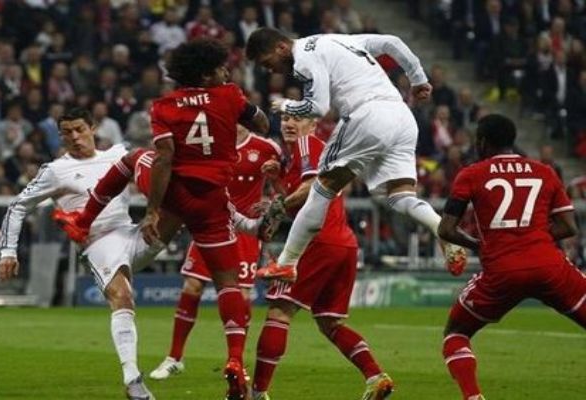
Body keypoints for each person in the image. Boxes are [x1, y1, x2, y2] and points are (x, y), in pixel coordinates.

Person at [55, 39, 269, 400]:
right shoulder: (229, 94)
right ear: (206, 72)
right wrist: (239, 106)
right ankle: (235, 360)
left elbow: (165, 157)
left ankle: (83, 220)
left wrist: (153, 208)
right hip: (212, 200)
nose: (225, 71)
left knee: (131, 158)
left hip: (175, 192)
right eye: (219, 68)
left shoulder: (165, 106)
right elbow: (261, 123)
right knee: (228, 283)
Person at [244, 27, 467, 281]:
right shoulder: (337, 40)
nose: (270, 70)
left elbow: (318, 107)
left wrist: (287, 105)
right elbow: (391, 41)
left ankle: (287, 262)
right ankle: (443, 229)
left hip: (366, 115)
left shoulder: (305, 56)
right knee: (398, 196)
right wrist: (417, 78)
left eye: (267, 62)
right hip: (402, 115)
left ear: (281, 48)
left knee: (321, 188)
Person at [0, 107, 160, 400]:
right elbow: (18, 206)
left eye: (79, 130)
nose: (74, 137)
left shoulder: (118, 154)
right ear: (60, 137)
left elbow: (156, 168)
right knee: (123, 297)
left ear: (93, 128)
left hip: (134, 232)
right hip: (99, 242)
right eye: (67, 133)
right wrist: (8, 251)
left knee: (178, 214)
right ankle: (133, 379)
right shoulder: (55, 170)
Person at [437, 114, 586, 400]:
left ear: (482, 142)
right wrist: (534, 239)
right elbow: (569, 227)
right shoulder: (544, 171)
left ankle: (473, 396)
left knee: (456, 333)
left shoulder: (471, 173)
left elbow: (447, 229)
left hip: (502, 271)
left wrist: (482, 245)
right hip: (549, 265)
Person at [250, 113, 393, 400]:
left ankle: (257, 393)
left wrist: (275, 205)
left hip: (319, 241)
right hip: (343, 244)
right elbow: (301, 199)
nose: (289, 123)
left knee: (280, 310)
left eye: (298, 117)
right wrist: (277, 181)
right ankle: (376, 377)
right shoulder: (294, 161)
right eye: (285, 117)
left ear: (313, 124)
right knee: (330, 323)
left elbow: (308, 190)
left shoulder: (309, 144)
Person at [149, 125, 280, 380]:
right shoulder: (209, 144)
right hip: (210, 223)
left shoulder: (266, 148)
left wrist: (272, 202)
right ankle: (174, 358)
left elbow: (285, 181)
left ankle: (236, 362)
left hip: (245, 233)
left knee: (241, 294)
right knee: (192, 285)